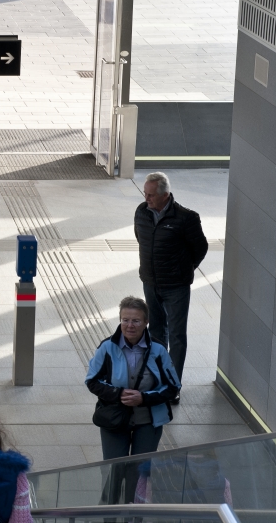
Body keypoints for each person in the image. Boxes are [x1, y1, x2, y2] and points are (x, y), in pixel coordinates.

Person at [85, 296, 180, 502]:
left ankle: (133, 514)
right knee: (113, 469)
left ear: (146, 322)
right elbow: (92, 381)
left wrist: (143, 398)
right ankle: (109, 513)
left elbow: (173, 387)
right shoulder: (107, 347)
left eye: (136, 320)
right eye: (125, 320)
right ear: (120, 320)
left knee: (140, 472)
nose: (130, 325)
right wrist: (118, 394)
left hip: (148, 420)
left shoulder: (158, 350)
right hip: (114, 418)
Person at [134, 171, 207, 395]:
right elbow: (141, 239)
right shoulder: (141, 212)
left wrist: (183, 270)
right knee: (156, 332)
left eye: (151, 195)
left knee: (176, 336)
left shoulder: (186, 218)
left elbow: (200, 249)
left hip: (176, 287)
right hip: (150, 282)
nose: (146, 199)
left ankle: (172, 386)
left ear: (165, 195)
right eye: (145, 194)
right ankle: (157, 379)